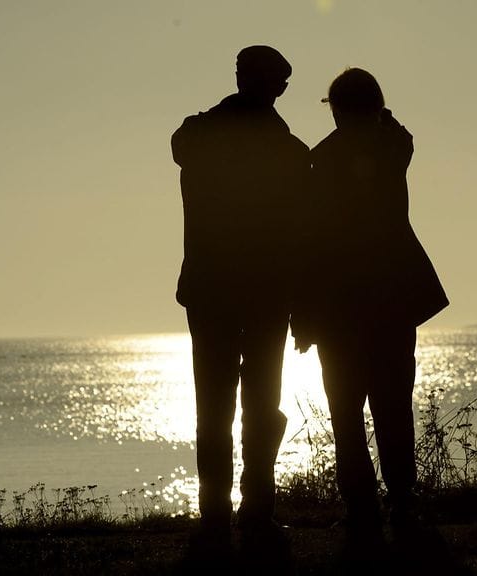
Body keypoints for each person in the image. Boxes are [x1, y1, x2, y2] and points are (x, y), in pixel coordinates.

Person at [293, 67, 449, 567]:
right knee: (392, 405)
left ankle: (362, 508)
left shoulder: (318, 163)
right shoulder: (391, 151)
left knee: (346, 412)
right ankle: (402, 503)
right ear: (377, 105)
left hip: (339, 304)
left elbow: (308, 247)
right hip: (392, 299)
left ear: (335, 109)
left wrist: (304, 316)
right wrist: (381, 114)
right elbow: (400, 132)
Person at [171, 45, 309, 568]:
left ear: (238, 76)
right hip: (267, 292)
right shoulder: (291, 153)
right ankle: (254, 510)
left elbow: (184, 140)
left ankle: (217, 516)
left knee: (215, 405)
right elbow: (303, 233)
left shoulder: (199, 136)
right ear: (277, 87)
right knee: (259, 403)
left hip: (212, 289)